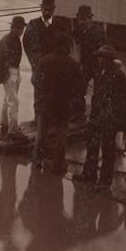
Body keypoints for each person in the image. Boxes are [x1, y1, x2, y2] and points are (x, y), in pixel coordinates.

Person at [74, 45, 126, 192]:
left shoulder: (119, 76)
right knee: (92, 145)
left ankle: (105, 182)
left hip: (109, 118)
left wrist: (115, 115)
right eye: (99, 56)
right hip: (97, 115)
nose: (99, 59)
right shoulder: (100, 71)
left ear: (109, 60)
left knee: (107, 150)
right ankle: (89, 173)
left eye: (102, 57)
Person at [31, 31, 85, 173]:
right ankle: (57, 165)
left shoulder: (45, 60)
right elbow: (81, 86)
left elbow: (35, 80)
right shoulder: (73, 63)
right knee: (61, 137)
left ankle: (37, 161)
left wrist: (44, 91)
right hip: (64, 106)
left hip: (46, 104)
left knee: (41, 134)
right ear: (67, 46)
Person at [23, 0, 62, 124]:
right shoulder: (33, 24)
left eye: (49, 10)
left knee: (54, 91)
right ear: (41, 8)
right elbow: (26, 43)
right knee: (38, 91)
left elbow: (65, 46)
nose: (47, 12)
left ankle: (52, 118)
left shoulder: (59, 25)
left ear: (54, 9)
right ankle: (37, 118)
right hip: (38, 65)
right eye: (45, 9)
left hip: (55, 66)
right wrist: (33, 61)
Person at [72, 4, 107, 119]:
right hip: (86, 65)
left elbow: (103, 49)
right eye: (80, 19)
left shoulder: (98, 32)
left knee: (98, 90)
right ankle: (79, 113)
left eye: (85, 19)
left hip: (97, 65)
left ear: (90, 19)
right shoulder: (81, 30)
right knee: (79, 87)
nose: (82, 22)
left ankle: (96, 114)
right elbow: (71, 36)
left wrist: (101, 65)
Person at [0, 16, 26, 137]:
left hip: (15, 70)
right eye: (17, 28)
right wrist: (6, 74)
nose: (20, 31)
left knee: (7, 100)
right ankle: (13, 129)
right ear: (12, 27)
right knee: (13, 101)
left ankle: (4, 124)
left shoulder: (14, 39)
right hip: (9, 72)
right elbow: (1, 59)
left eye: (21, 28)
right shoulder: (7, 40)